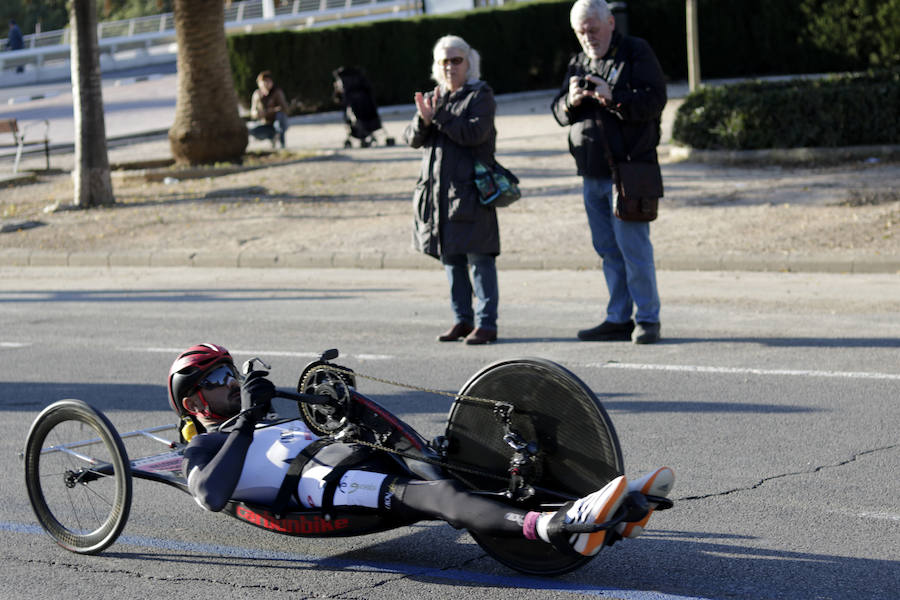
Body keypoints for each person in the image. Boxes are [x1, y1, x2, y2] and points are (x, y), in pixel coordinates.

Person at [168, 343, 675, 559]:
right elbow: (210, 495)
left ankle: (603, 506)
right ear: (194, 400)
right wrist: (249, 419)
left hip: (353, 453)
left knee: (460, 462)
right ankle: (552, 526)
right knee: (434, 496)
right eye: (217, 378)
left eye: (231, 372)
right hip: (329, 487)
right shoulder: (207, 446)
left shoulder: (266, 416)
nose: (231, 382)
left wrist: (333, 402)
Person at [551, 0, 667, 344]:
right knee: (607, 249)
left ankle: (647, 319)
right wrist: (570, 102)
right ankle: (619, 318)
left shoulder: (635, 51)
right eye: (581, 31)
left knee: (634, 250)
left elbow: (655, 100)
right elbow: (556, 111)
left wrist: (613, 96)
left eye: (593, 28)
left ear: (611, 23)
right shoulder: (577, 62)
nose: (588, 37)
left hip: (629, 170)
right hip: (591, 172)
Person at [403, 35, 501, 345]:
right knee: (451, 261)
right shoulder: (436, 97)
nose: (449, 67)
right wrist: (423, 119)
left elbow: (475, 133)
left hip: (470, 194)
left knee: (480, 261)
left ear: (469, 63)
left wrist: (439, 117)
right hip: (437, 197)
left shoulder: (480, 95)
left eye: (456, 60)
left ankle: (486, 324)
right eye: (444, 61)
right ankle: (462, 319)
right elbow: (411, 138)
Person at [249, 70, 290, 148]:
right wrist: (258, 113)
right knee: (251, 131)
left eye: (268, 81)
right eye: (263, 81)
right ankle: (272, 138)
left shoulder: (277, 92)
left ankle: (282, 144)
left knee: (279, 117)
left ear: (272, 82)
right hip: (266, 124)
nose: (265, 84)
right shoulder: (257, 94)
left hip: (278, 123)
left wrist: (273, 111)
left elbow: (286, 109)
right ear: (259, 83)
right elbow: (252, 113)